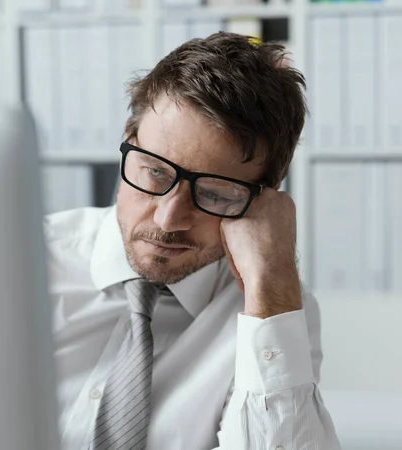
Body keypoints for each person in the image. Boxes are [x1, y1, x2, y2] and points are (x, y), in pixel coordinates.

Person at [45, 32, 341, 449]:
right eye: (155, 172)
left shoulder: (271, 310)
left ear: (263, 199)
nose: (168, 219)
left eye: (215, 193)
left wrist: (272, 283)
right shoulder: (27, 259)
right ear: (129, 140)